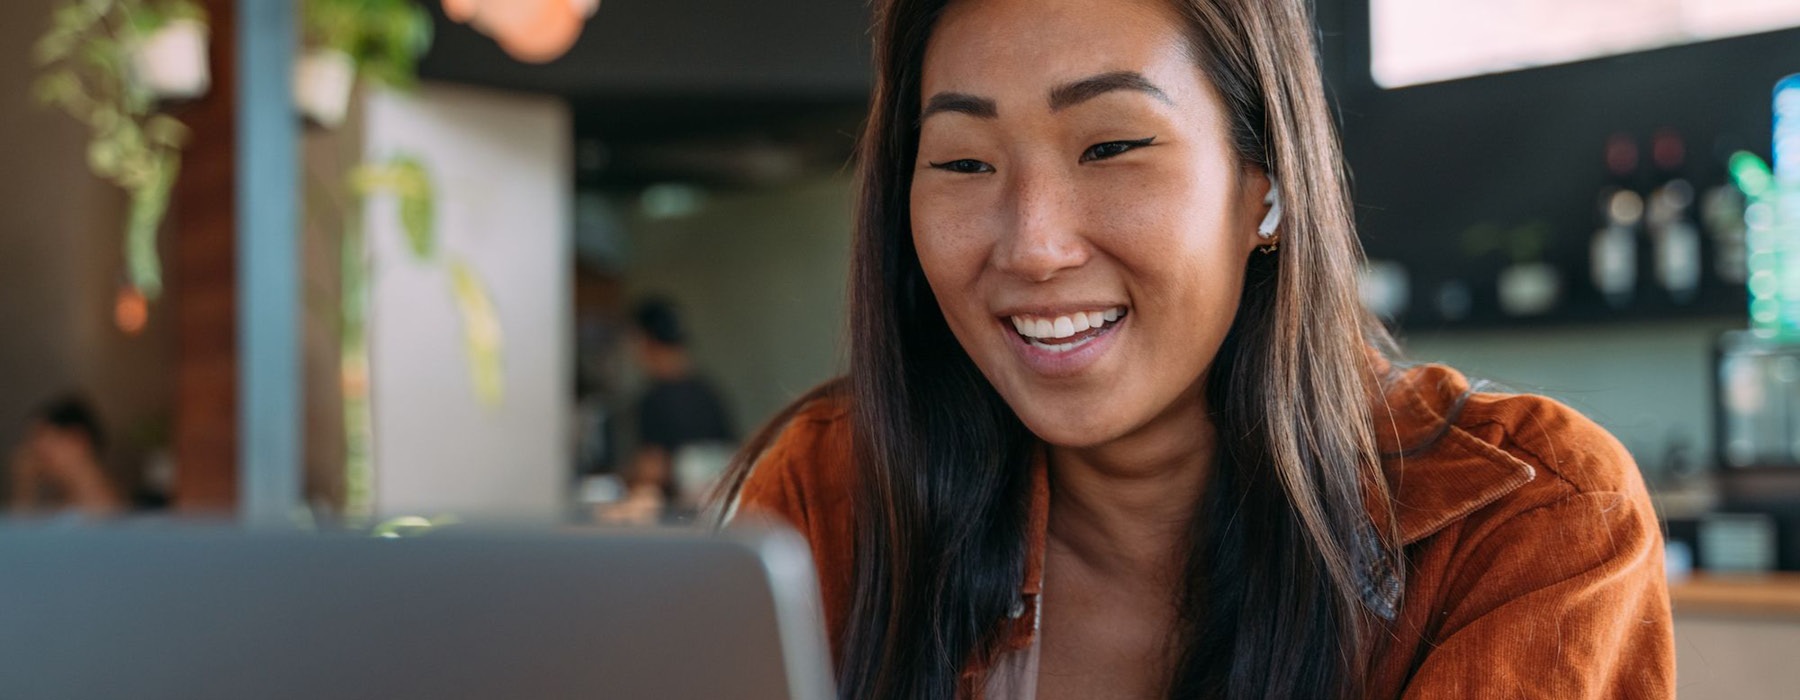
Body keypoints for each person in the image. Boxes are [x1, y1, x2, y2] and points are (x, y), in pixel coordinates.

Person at [714, 0, 1675, 698]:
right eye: (964, 163)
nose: (1034, 246)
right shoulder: (831, 493)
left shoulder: (1530, 523)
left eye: (1112, 147)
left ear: (1263, 183)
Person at [612, 297, 735, 522]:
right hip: (717, 520)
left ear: (644, 340)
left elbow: (653, 470)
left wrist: (620, 480)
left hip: (677, 520)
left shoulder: (655, 399)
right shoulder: (709, 393)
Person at [9, 395, 124, 518]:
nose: (33, 457)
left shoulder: (111, 511)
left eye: (41, 438)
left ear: (78, 439)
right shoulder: (57, 509)